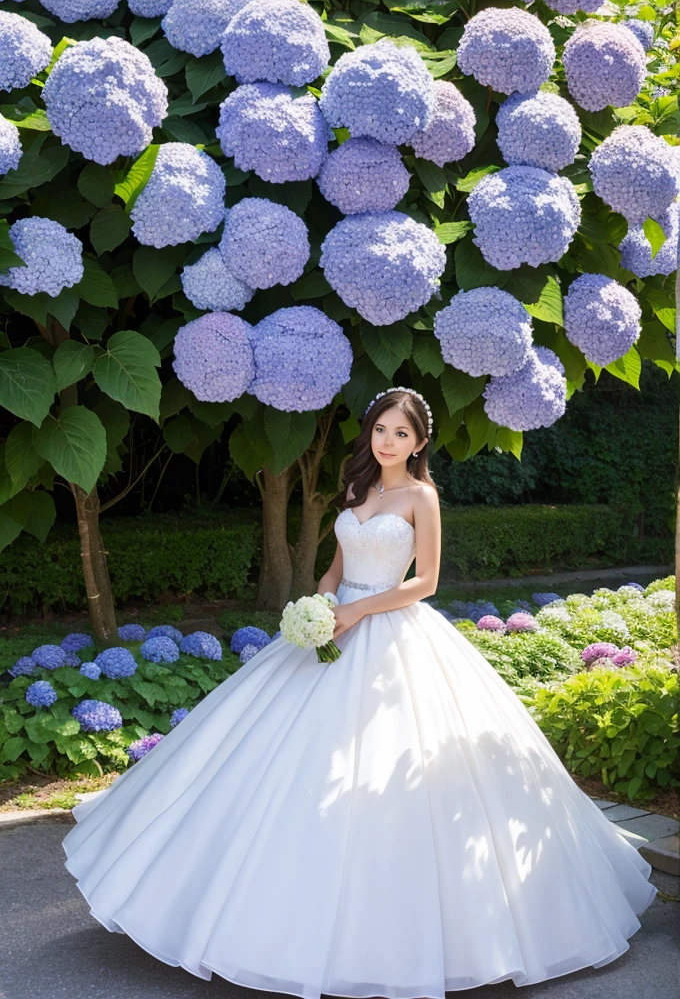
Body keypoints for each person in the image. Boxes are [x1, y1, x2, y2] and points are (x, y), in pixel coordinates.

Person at [62, 386, 657, 998]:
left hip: (393, 632)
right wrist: (321, 604)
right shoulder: (355, 491)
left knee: (385, 760)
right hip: (334, 625)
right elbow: (333, 567)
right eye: (380, 430)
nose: (387, 442)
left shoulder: (420, 496)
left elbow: (425, 582)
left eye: (401, 434)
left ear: (420, 442)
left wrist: (359, 612)